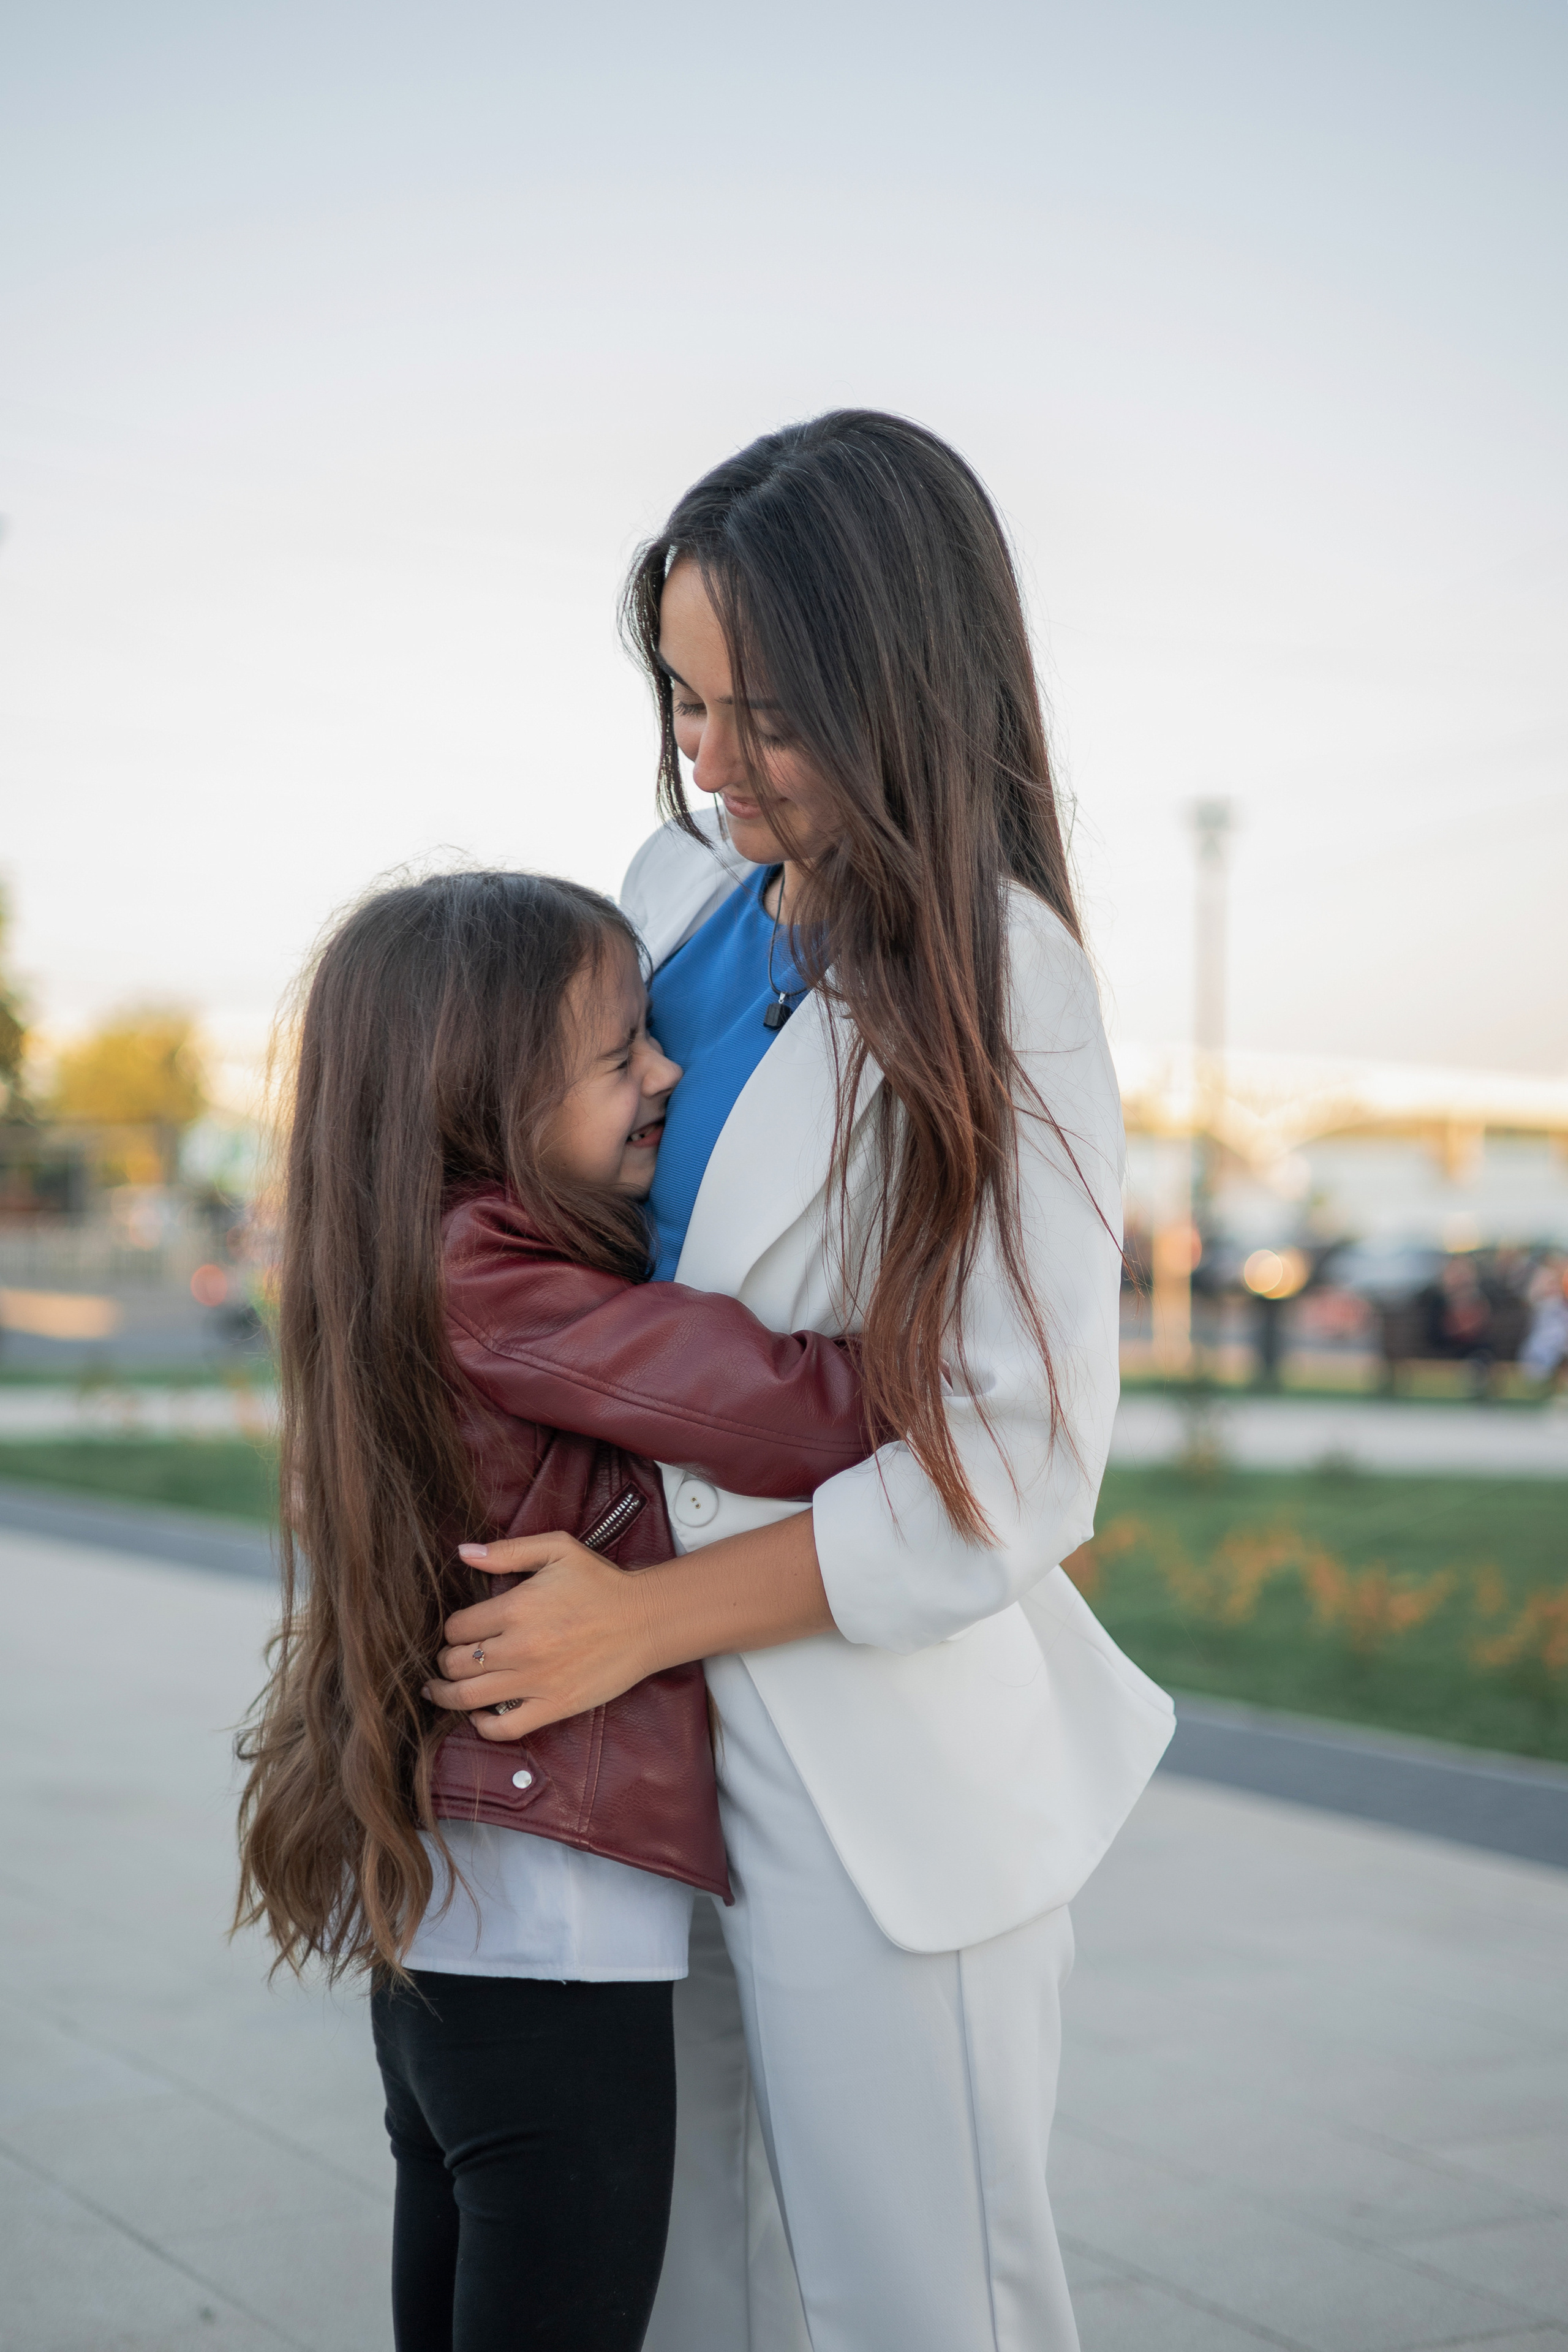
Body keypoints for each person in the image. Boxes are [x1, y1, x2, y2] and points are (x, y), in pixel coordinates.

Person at [424, 412, 1177, 2352]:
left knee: (919, 2311)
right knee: (677, 2297)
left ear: (905, 682)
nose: (712, 757)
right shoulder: (665, 899)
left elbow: (1013, 1462)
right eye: (682, 695)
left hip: (872, 1759)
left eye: (766, 713)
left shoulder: (1009, 985)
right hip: (633, 1758)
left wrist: (635, 1622)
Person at [233, 870, 875, 2352]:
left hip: (464, 1936)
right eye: (619, 1058)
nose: (665, 1071)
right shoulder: (496, 1279)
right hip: (547, 1936)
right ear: (484, 1108)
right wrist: (959, 1353)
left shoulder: (410, 1253)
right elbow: (800, 1416)